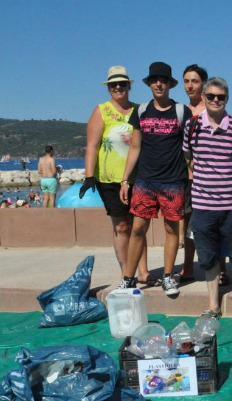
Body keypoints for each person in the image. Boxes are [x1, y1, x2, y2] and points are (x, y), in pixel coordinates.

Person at [184, 77, 232, 321]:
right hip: (203, 206)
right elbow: (188, 157)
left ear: (227, 99)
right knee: (208, 257)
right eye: (211, 96)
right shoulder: (192, 127)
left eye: (221, 97)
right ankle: (213, 306)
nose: (216, 100)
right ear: (203, 97)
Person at [119, 61, 193, 296]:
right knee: (137, 229)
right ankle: (128, 279)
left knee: (172, 230)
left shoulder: (182, 111)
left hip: (174, 181)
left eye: (163, 80)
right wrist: (125, 180)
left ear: (170, 84)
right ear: (150, 84)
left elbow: (190, 149)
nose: (159, 84)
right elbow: (135, 147)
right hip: (145, 182)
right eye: (154, 80)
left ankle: (168, 277)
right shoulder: (141, 111)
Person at [79, 65, 152, 285]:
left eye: (122, 83)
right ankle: (125, 272)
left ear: (129, 86)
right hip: (109, 178)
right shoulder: (101, 111)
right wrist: (89, 176)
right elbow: (92, 146)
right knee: (121, 226)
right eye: (113, 85)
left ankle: (143, 271)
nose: (118, 87)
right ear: (109, 88)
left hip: (139, 178)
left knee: (138, 225)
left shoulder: (140, 110)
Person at [178, 64, 209, 285]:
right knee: (189, 224)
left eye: (195, 81)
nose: (190, 85)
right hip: (186, 178)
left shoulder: (212, 109)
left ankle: (220, 268)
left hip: (209, 178)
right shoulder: (181, 111)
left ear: (204, 84)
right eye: (187, 81)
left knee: (215, 225)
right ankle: (188, 267)